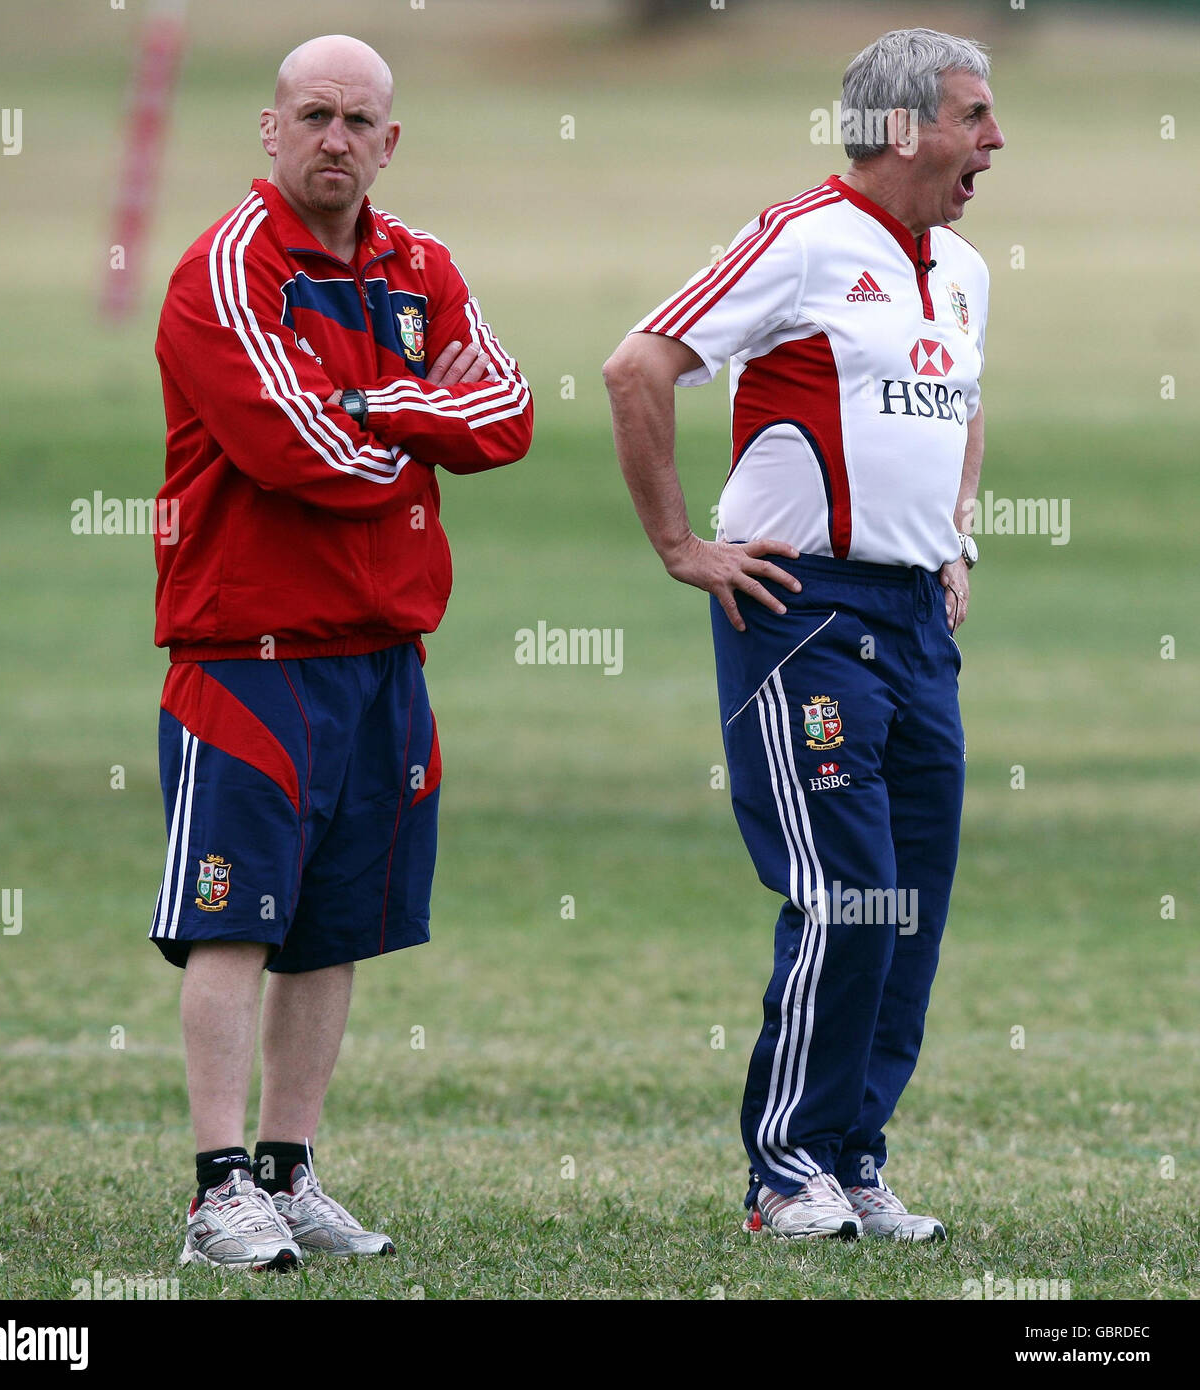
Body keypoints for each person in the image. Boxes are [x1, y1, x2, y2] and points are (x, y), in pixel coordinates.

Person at [603, 28, 1004, 1241]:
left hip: (915, 622)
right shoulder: (799, 239)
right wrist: (683, 547)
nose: (995, 142)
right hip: (801, 614)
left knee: (912, 899)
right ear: (902, 130)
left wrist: (954, 533)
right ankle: (785, 1171)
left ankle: (854, 1155)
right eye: (974, 116)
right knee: (848, 891)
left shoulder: (968, 270)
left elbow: (965, 401)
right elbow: (636, 367)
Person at [149, 34, 532, 1270]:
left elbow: (512, 413)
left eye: (359, 120)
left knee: (335, 929)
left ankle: (288, 1168)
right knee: (233, 924)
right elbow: (303, 454)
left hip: (382, 650)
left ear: (389, 139)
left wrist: (378, 405)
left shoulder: (423, 265)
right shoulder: (226, 272)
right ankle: (217, 1191)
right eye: (312, 114)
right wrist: (419, 409)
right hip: (247, 652)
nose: (335, 139)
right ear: (269, 129)